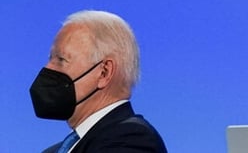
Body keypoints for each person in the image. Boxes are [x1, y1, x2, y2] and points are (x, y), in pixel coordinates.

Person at [29, 10, 167, 153]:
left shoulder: (131, 139)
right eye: (50, 58)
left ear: (104, 72)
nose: (47, 68)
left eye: (61, 59)